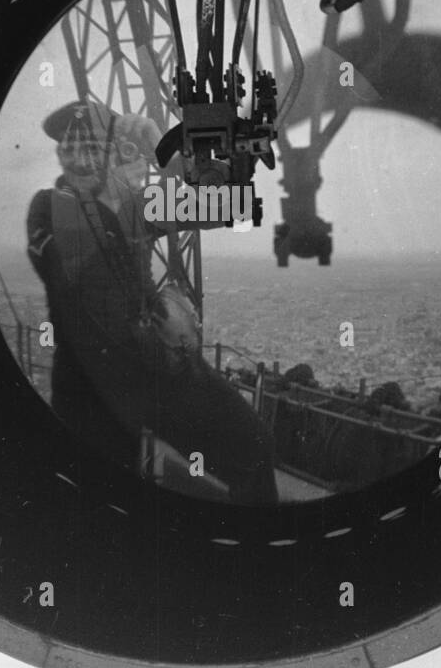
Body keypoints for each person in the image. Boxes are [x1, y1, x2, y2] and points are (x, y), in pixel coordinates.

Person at [26, 99, 278, 506]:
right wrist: (120, 199)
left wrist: (160, 145)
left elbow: (229, 203)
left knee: (251, 442)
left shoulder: (132, 206)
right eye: (69, 149)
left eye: (91, 147)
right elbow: (77, 276)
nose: (79, 159)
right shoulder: (47, 207)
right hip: (95, 387)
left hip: (155, 374)